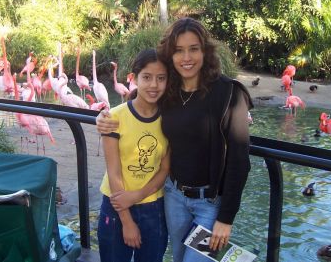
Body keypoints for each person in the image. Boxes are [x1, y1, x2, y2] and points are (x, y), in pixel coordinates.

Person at [96, 17, 253, 262]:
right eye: (178, 51)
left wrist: (226, 217)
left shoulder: (229, 93)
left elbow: (239, 160)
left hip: (209, 204)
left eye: (193, 49)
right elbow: (138, 105)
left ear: (205, 51)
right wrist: (104, 118)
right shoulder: (169, 93)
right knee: (178, 258)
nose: (186, 58)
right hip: (174, 197)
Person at [97, 48, 170, 262]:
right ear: (135, 77)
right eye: (147, 77)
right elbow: (114, 172)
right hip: (116, 206)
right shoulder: (114, 117)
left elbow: (165, 169)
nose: (154, 85)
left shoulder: (169, 120)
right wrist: (127, 221)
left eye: (161, 78)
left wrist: (137, 196)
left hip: (153, 208)